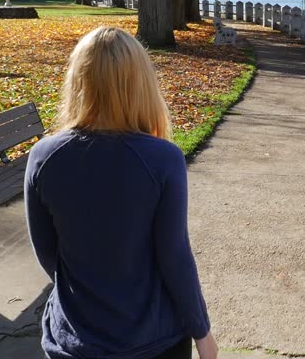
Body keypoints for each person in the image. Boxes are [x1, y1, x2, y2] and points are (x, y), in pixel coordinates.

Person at [24, 26, 217, 359]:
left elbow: (47, 253)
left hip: (72, 339)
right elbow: (174, 255)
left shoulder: (43, 157)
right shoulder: (162, 159)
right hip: (153, 340)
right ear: (141, 84)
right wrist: (202, 331)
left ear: (78, 81)